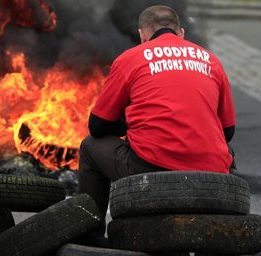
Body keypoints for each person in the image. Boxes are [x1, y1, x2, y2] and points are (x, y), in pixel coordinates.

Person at [78, 5, 236, 237]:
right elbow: (228, 130)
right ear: (181, 32)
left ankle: (89, 236)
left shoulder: (130, 58)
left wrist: (126, 122)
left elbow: (98, 125)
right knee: (227, 149)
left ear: (142, 34)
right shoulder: (211, 60)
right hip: (210, 171)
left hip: (150, 166)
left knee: (90, 147)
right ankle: (219, 235)